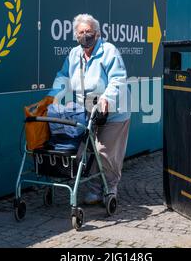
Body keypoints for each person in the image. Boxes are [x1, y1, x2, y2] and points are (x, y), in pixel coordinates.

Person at [46, 13, 131, 204]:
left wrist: (107, 98)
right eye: (81, 32)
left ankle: (110, 189)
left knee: (105, 151)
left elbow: (118, 78)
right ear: (76, 35)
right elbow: (63, 76)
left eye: (89, 32)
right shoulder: (74, 54)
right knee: (88, 149)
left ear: (97, 33)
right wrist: (52, 96)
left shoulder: (109, 51)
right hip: (87, 111)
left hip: (114, 111)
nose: (85, 35)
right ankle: (94, 188)